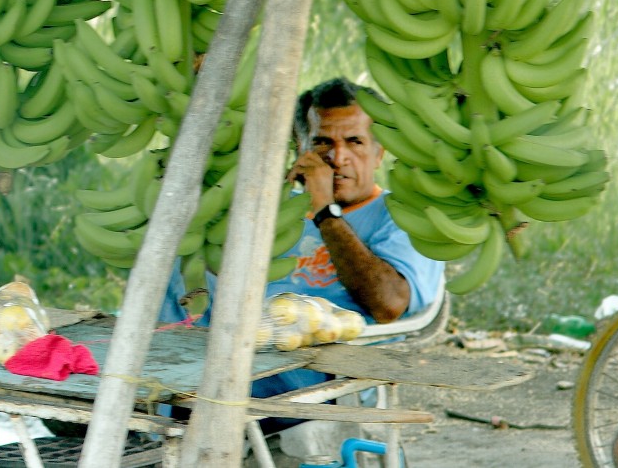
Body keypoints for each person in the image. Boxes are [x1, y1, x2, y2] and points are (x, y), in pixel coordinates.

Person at [159, 76, 445, 411]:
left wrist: (326, 212)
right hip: (240, 351)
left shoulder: (401, 215)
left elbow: (388, 303)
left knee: (212, 386)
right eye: (323, 143)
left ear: (379, 151)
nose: (339, 158)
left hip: (324, 369)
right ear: (301, 149)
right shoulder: (277, 212)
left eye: (355, 142)